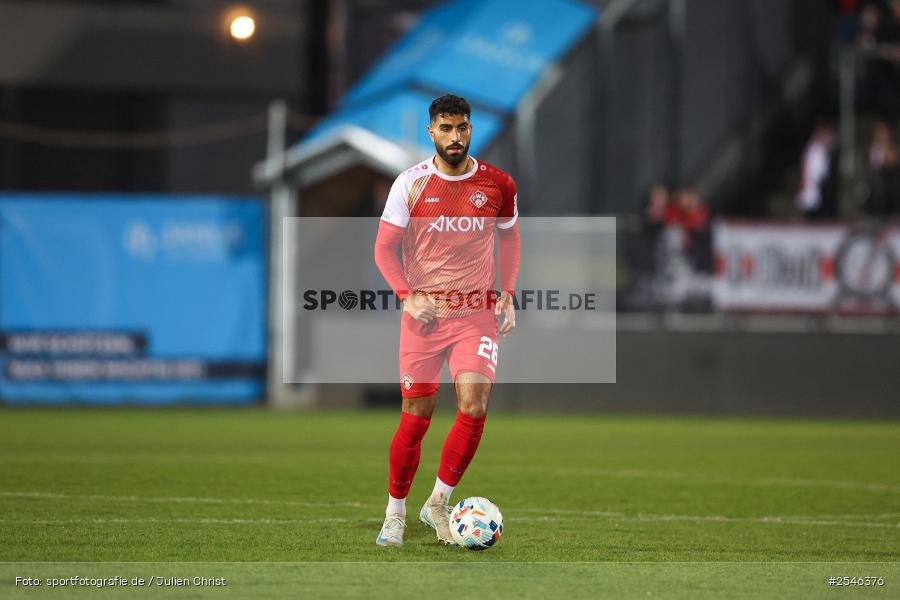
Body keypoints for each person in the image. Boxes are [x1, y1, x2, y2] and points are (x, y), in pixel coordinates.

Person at [372, 94, 520, 546]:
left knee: (474, 406)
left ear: (470, 130)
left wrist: (508, 293)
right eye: (446, 128)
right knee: (416, 418)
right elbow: (383, 248)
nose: (455, 136)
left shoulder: (498, 184)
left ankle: (437, 501)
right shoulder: (410, 185)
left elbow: (511, 239)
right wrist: (407, 296)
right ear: (431, 132)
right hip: (425, 319)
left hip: (475, 315)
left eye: (463, 128)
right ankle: (394, 511)